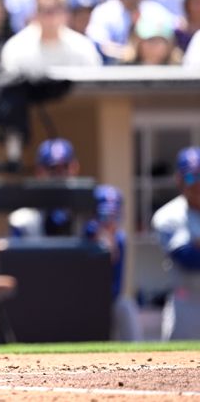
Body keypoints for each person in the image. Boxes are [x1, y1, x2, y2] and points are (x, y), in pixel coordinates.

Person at [151, 146, 200, 340]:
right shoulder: (168, 215)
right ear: (178, 179)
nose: (197, 184)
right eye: (190, 178)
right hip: (186, 303)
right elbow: (189, 259)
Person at [82, 184, 141, 341]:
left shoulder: (120, 239)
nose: (109, 222)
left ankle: (136, 356)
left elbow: (116, 287)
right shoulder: (85, 234)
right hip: (83, 301)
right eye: (104, 216)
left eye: (113, 216)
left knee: (125, 305)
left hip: (110, 301)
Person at [0, 0, 102, 73]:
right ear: (35, 14)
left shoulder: (83, 48)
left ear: (66, 14)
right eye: (44, 10)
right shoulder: (16, 48)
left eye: (56, 10)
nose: (50, 17)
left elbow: (93, 89)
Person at [9, 138, 81, 238]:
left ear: (75, 167)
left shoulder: (88, 215)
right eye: (52, 168)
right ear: (39, 172)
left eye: (65, 167)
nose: (59, 175)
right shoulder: (23, 221)